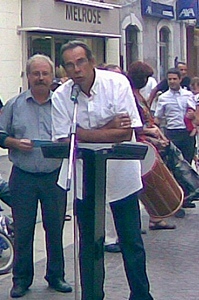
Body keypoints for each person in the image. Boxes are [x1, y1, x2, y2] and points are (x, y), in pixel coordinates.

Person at [52, 40, 154, 300]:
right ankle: (92, 295)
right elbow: (65, 139)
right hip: (86, 175)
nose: (76, 70)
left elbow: (125, 131)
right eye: (70, 65)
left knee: (130, 240)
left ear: (91, 61)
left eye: (81, 62)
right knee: (88, 242)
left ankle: (141, 295)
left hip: (120, 172)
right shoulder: (63, 96)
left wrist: (85, 133)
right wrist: (106, 127)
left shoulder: (116, 84)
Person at [0, 54, 72, 298]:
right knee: (23, 230)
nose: (40, 78)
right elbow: (0, 135)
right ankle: (21, 280)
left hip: (54, 175)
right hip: (23, 176)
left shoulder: (63, 105)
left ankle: (56, 276)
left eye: (45, 73)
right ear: (27, 75)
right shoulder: (14, 105)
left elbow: (74, 136)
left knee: (55, 228)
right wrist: (14, 142)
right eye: (35, 73)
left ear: (52, 76)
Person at [127, 61, 199, 212]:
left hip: (178, 134)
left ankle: (185, 194)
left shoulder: (138, 95)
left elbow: (151, 121)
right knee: (165, 170)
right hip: (147, 140)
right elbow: (138, 123)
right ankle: (173, 201)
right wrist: (153, 133)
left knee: (180, 161)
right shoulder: (131, 96)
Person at [154, 68, 196, 165]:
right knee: (173, 163)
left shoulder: (189, 95)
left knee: (187, 163)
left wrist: (193, 115)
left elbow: (196, 113)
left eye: (174, 79)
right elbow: (157, 118)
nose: (172, 81)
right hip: (172, 133)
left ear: (180, 79)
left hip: (187, 133)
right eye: (170, 79)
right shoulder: (163, 98)